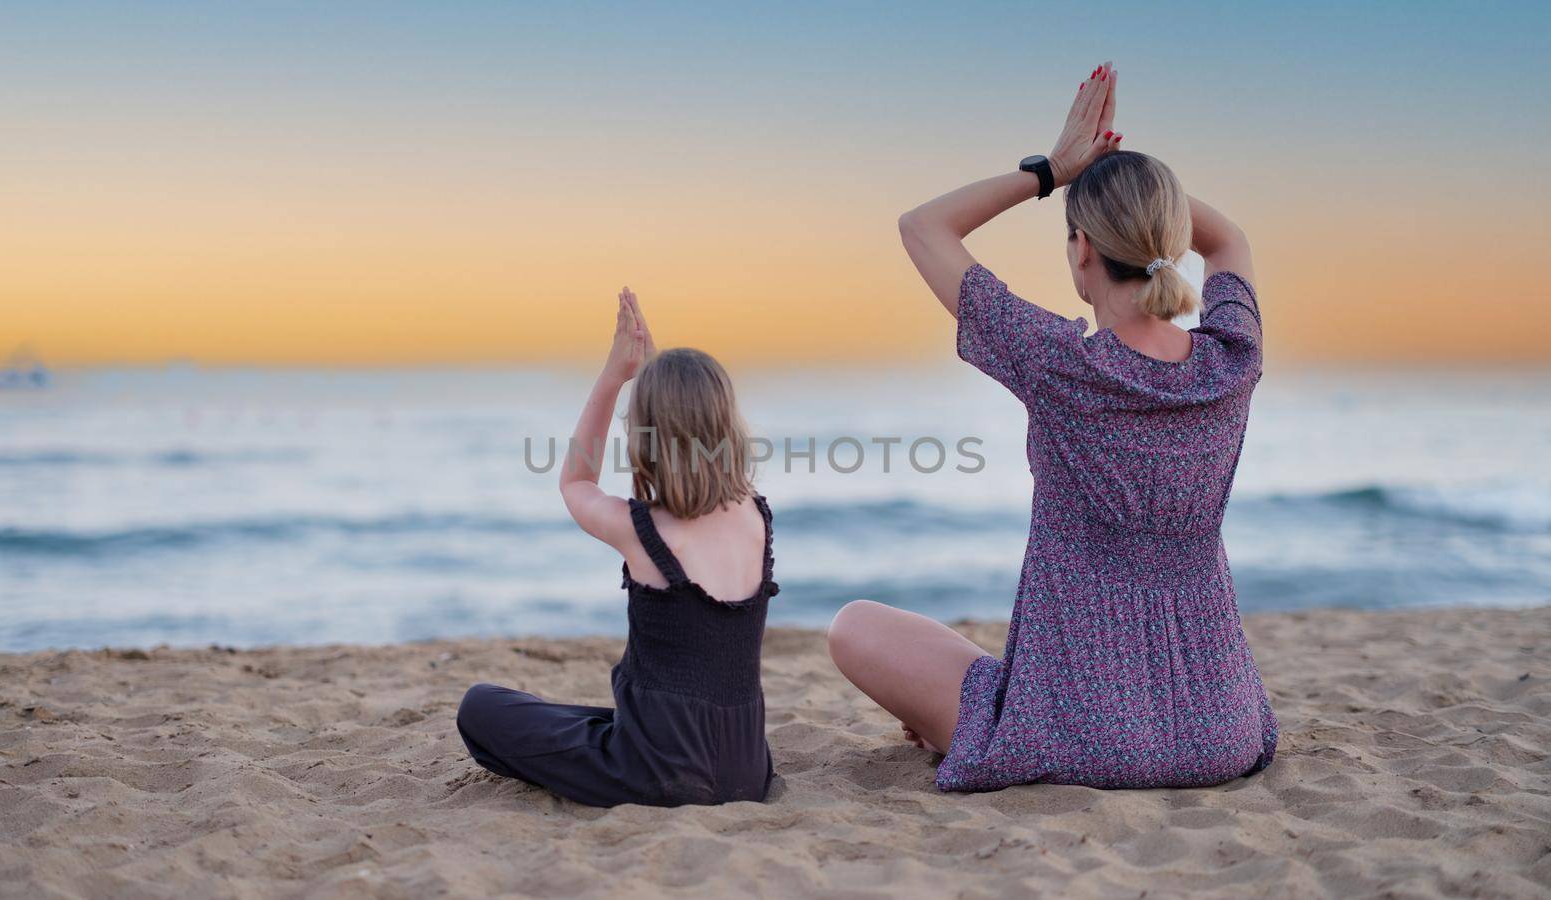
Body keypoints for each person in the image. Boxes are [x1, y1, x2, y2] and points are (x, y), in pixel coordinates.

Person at [827, 62, 1277, 791]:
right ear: (1166, 235)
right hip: (1220, 731)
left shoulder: (1057, 363)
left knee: (855, 626)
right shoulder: (1232, 361)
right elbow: (1229, 241)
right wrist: (1136, 188)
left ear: (1081, 251)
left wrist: (1056, 169)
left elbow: (922, 227)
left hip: (1072, 731)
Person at [457, 288, 779, 806]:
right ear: (728, 424)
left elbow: (576, 482)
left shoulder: (640, 528)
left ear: (645, 435)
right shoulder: (755, 515)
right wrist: (655, 369)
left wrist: (614, 376)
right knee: (583, 717)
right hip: (747, 769)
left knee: (481, 707)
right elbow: (685, 425)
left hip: (659, 770)